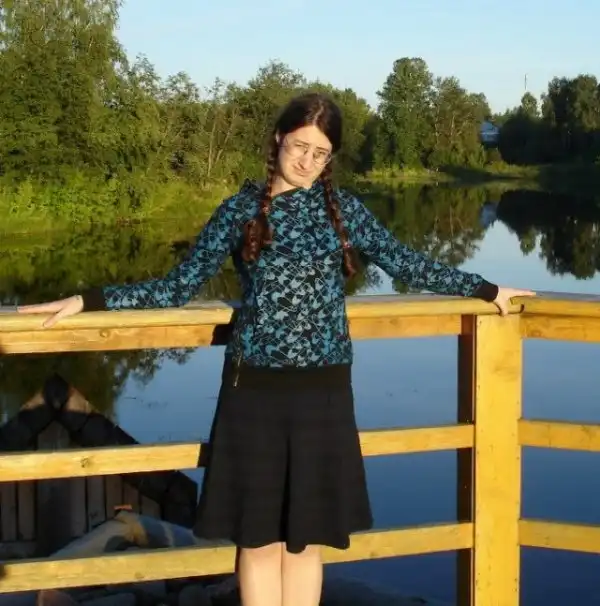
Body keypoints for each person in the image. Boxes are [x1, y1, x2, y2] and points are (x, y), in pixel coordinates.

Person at [18, 92, 535, 606]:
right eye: (300, 147)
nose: (308, 161)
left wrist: (486, 289)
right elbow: (177, 287)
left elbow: (405, 262)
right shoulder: (240, 210)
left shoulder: (343, 211)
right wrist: (89, 299)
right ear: (278, 139)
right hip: (254, 392)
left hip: (323, 391)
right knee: (259, 539)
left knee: (306, 540)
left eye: (321, 153)